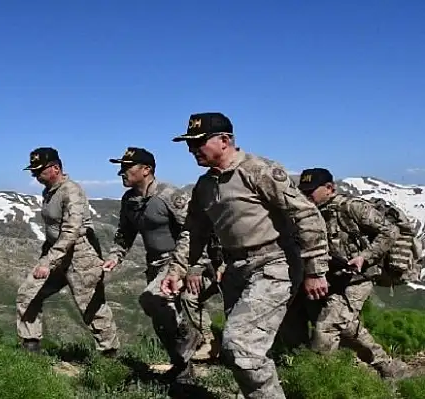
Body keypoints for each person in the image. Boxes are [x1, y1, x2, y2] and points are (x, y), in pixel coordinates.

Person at [160, 112, 331, 398]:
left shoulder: (258, 170)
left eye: (198, 142)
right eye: (189, 144)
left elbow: (306, 214)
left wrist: (315, 269)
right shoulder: (204, 186)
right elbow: (193, 233)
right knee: (243, 350)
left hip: (275, 264)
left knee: (241, 344)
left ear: (224, 140)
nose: (192, 150)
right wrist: (176, 270)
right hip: (236, 270)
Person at [102, 147, 222, 383]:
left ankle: (192, 339)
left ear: (146, 170)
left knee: (152, 297)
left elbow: (195, 231)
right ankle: (183, 371)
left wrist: (195, 266)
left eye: (127, 167)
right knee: (162, 320)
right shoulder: (130, 200)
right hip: (154, 265)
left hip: (177, 260)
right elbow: (125, 233)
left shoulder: (169, 195)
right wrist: (116, 255)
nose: (121, 173)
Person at [297, 167, 410, 379]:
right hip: (332, 277)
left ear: (329, 188)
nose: (306, 196)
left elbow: (390, 231)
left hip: (359, 278)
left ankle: (321, 381)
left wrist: (364, 256)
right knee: (347, 326)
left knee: (327, 327)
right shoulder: (311, 211)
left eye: (311, 191)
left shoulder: (352, 207)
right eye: (304, 191)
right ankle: (389, 368)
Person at [15, 147, 120, 357]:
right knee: (28, 293)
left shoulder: (71, 191)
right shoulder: (49, 191)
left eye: (39, 171)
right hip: (56, 253)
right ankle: (30, 349)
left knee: (91, 307)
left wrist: (48, 261)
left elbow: (71, 231)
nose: (35, 176)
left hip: (80, 255)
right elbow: (54, 231)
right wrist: (47, 256)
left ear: (55, 168)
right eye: (33, 172)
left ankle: (110, 357)